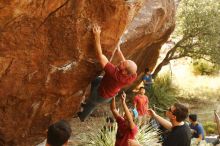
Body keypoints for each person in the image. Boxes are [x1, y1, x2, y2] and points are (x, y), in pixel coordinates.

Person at [78, 24, 137, 122]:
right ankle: (90, 101)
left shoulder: (115, 74)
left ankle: (82, 117)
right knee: (96, 79)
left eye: (123, 64)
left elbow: (100, 55)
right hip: (109, 89)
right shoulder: (132, 75)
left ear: (125, 72)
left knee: (92, 103)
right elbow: (127, 65)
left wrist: (97, 36)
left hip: (102, 94)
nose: (121, 61)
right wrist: (119, 51)